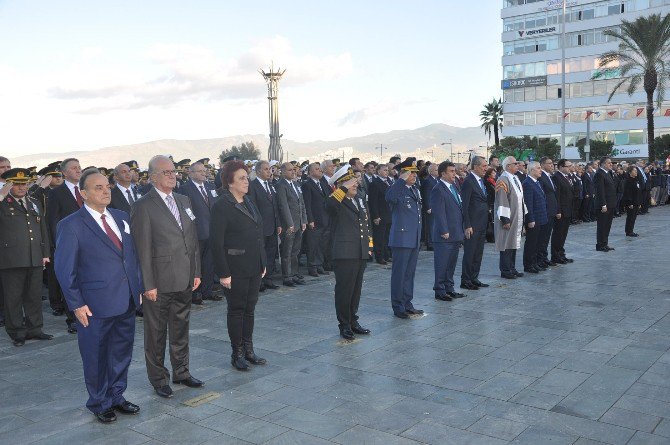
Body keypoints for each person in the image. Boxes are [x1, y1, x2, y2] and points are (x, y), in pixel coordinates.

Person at [55, 169, 143, 423]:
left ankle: (117, 396)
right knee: (95, 355)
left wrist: (137, 288)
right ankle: (99, 402)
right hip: (94, 305)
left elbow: (131, 257)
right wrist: (76, 304)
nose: (106, 191)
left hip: (125, 299)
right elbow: (64, 269)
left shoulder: (121, 216)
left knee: (121, 352)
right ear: (83, 194)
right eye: (98, 188)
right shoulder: (71, 225)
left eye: (107, 187)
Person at [131, 155, 204, 398]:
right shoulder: (143, 205)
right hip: (159, 282)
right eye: (166, 172)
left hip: (184, 277)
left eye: (173, 172)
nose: (173, 175)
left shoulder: (184, 200)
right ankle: (158, 378)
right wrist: (147, 283)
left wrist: (196, 271)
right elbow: (142, 248)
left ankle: (181, 371)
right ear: (152, 178)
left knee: (181, 327)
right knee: (156, 332)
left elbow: (191, 240)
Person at [210, 160, 267, 370]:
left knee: (249, 309)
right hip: (235, 268)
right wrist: (223, 273)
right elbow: (217, 242)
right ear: (230, 182)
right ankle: (237, 353)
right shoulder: (222, 206)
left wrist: (263, 261)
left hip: (253, 265)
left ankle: (249, 350)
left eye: (246, 177)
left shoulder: (248, 201)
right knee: (236, 310)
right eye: (241, 178)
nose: (246, 182)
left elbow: (258, 233)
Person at [0, 168, 52, 346]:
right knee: (13, 297)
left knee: (34, 295)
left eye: (24, 183)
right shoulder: (2, 203)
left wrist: (45, 253)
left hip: (35, 256)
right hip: (11, 258)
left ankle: (35, 328)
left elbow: (42, 228)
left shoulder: (34, 202)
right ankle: (17, 332)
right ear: (8, 185)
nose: (22, 187)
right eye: (16, 184)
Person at [326, 165, 372, 340]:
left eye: (355, 182)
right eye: (351, 182)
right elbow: (329, 205)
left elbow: (366, 225)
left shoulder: (359, 199)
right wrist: (343, 189)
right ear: (340, 185)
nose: (355, 185)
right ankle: (344, 324)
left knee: (356, 290)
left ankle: (354, 321)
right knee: (344, 291)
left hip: (360, 251)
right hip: (345, 253)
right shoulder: (337, 201)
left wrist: (369, 246)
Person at [175, 160, 221, 304]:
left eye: (204, 171)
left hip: (212, 232)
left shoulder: (211, 187)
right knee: (196, 265)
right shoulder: (184, 189)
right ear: (191, 173)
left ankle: (207, 291)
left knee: (210, 263)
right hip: (196, 232)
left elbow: (216, 207)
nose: (204, 173)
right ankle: (195, 293)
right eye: (200, 171)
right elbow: (184, 211)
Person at [47, 158, 83, 334]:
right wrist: (58, 245)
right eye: (74, 168)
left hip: (89, 244)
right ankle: (73, 318)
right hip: (68, 243)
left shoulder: (86, 189)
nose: (78, 170)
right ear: (65, 172)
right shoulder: (56, 193)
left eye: (79, 167)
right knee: (70, 281)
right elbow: (53, 220)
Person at [386, 159, 423, 318]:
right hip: (401, 238)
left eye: (415, 172)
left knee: (409, 274)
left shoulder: (414, 189)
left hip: (413, 238)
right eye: (410, 173)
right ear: (402, 174)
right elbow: (390, 198)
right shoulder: (397, 188)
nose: (414, 175)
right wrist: (400, 180)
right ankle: (398, 306)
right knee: (400, 274)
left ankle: (407, 303)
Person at [431, 161, 466, 301]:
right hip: (444, 235)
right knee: (442, 263)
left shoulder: (454, 186)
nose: (454, 173)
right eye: (451, 171)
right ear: (443, 173)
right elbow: (439, 212)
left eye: (454, 171)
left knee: (451, 264)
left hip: (456, 232)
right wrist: (444, 230)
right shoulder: (438, 189)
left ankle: (449, 288)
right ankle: (439, 290)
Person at [248, 161, 281, 290]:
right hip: (260, 227)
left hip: (272, 226)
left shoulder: (270, 185)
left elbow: (275, 206)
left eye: (270, 169)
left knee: (271, 253)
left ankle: (269, 279)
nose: (270, 172)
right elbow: (253, 208)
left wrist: (278, 223)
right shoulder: (253, 186)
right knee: (259, 255)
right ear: (258, 171)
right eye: (266, 169)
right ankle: (259, 281)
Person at [494, 157, 527, 279]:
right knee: (506, 244)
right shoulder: (503, 180)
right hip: (508, 218)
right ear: (508, 166)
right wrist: (505, 219)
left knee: (513, 243)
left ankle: (512, 268)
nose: (518, 165)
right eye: (515, 164)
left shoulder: (515, 178)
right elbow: (502, 200)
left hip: (516, 216)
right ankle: (506, 270)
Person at [460, 156, 490, 290]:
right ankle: (466, 280)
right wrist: (467, 225)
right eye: (484, 166)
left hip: (482, 223)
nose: (486, 168)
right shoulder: (468, 181)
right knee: (470, 253)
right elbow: (464, 206)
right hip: (472, 225)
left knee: (478, 253)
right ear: (476, 166)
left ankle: (474, 277)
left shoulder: (480, 181)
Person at [276, 162, 307, 287]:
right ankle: (287, 276)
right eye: (290, 170)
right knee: (287, 251)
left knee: (296, 250)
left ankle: (294, 273)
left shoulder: (295, 184)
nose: (293, 172)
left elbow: (302, 204)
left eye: (294, 169)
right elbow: (283, 206)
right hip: (289, 224)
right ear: (283, 172)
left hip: (299, 223)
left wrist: (304, 220)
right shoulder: (280, 185)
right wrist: (289, 224)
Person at [302, 162, 330, 277]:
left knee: (322, 244)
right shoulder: (307, 185)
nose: (320, 171)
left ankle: (319, 265)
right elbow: (307, 204)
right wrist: (310, 219)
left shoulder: (322, 183)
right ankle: (312, 266)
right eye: (317, 169)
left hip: (325, 218)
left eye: (320, 169)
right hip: (315, 219)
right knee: (313, 244)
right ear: (310, 172)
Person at [522, 162, 548, 273]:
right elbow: (528, 204)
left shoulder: (537, 182)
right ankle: (529, 265)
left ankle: (535, 262)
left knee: (538, 243)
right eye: (538, 168)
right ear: (531, 170)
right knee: (531, 243)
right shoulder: (527, 183)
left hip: (541, 218)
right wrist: (531, 219)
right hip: (534, 219)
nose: (540, 170)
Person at [368, 163, 393, 264]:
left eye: (387, 170)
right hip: (380, 215)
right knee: (379, 237)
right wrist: (376, 216)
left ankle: (387, 255)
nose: (387, 172)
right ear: (378, 172)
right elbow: (373, 202)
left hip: (389, 214)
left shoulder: (389, 182)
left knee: (387, 237)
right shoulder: (374, 183)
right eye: (384, 170)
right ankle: (379, 257)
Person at [551, 159, 574, 264]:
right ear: (561, 167)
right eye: (568, 166)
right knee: (558, 234)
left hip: (567, 209)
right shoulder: (556, 177)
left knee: (563, 234)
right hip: (561, 211)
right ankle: (556, 256)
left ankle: (561, 254)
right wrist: (558, 210)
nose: (570, 168)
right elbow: (557, 196)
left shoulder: (567, 177)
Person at [538, 157, 559, 268]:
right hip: (546, 210)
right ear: (542, 164)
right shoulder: (542, 176)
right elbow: (543, 195)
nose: (552, 165)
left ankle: (544, 258)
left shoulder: (549, 176)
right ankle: (541, 258)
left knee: (546, 237)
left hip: (551, 210)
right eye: (549, 163)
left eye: (552, 163)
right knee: (543, 237)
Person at [594, 156, 617, 252]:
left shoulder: (608, 173)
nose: (611, 164)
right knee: (602, 225)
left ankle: (605, 243)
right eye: (609, 163)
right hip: (604, 205)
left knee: (607, 225)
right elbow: (600, 191)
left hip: (610, 203)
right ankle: (600, 245)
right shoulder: (599, 174)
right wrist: (603, 204)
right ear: (603, 164)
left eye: (611, 163)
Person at [420, 163, 438, 251]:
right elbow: (426, 195)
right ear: (430, 172)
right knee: (430, 225)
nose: (438, 171)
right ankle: (430, 244)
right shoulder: (428, 181)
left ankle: (434, 242)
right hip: (431, 207)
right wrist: (428, 207)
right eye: (436, 170)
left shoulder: (436, 180)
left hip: (436, 206)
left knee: (434, 225)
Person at [623, 165, 641, 237]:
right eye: (634, 171)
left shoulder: (636, 180)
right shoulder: (628, 181)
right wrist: (630, 203)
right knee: (630, 217)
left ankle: (631, 230)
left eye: (636, 171)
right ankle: (628, 231)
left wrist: (639, 202)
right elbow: (627, 193)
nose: (636, 172)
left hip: (636, 202)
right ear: (630, 172)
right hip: (631, 203)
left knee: (633, 217)